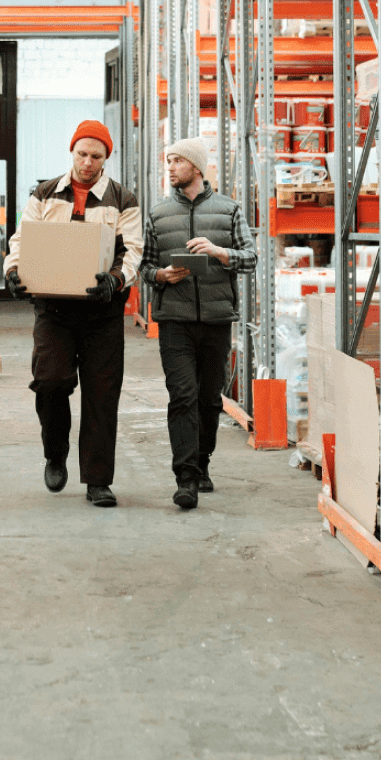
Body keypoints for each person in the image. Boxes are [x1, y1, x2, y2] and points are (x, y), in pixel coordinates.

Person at [4, 120, 142, 508]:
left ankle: (98, 481)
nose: (87, 162)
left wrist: (115, 281)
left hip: (102, 311)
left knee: (101, 395)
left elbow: (132, 250)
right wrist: (13, 272)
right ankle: (55, 452)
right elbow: (21, 238)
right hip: (54, 310)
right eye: (82, 154)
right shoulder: (45, 193)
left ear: (105, 159)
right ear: (72, 152)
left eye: (95, 156)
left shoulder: (122, 199)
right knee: (49, 382)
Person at [139, 137, 257, 510]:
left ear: (196, 167)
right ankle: (185, 478)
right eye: (168, 160)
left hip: (217, 319)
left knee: (209, 399)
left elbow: (251, 257)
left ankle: (203, 461)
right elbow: (145, 266)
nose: (170, 167)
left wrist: (220, 252)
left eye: (176, 160)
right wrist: (162, 276)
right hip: (174, 319)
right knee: (183, 396)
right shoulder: (158, 214)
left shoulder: (230, 210)